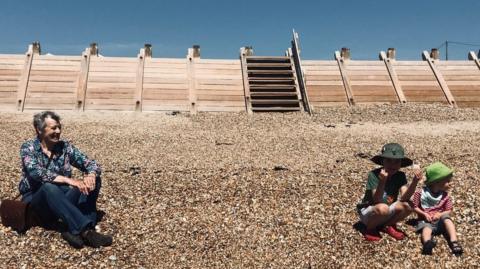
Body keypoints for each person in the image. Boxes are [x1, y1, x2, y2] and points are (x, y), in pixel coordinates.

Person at [19, 111, 112, 249]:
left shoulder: (65, 147)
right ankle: (85, 232)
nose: (58, 131)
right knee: (49, 187)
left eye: (59, 127)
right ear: (39, 129)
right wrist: (69, 180)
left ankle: (70, 229)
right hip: (37, 201)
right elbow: (36, 172)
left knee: (95, 180)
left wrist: (91, 174)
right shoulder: (28, 148)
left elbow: (90, 163)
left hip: (61, 197)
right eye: (53, 128)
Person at [357, 143, 421, 241]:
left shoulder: (400, 175)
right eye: (388, 161)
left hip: (386, 209)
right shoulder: (374, 175)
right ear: (382, 161)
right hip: (370, 210)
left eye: (396, 162)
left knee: (410, 205)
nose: (393, 165)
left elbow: (404, 197)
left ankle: (387, 225)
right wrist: (382, 181)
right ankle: (370, 228)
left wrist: (414, 182)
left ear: (401, 163)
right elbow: (376, 199)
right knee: (383, 208)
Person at [412, 162, 463, 256]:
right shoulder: (420, 193)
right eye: (447, 181)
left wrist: (440, 214)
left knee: (447, 220)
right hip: (426, 220)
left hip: (440, 221)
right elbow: (414, 207)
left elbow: (449, 209)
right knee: (426, 229)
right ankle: (427, 243)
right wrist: (424, 214)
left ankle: (454, 241)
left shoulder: (444, 195)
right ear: (437, 182)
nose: (450, 184)